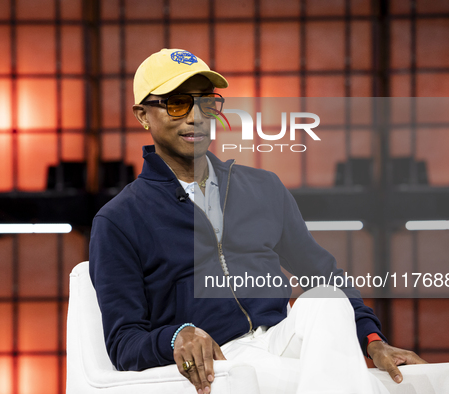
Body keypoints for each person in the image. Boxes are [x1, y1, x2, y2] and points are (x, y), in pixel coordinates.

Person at [89, 48, 426, 394]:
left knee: (326, 297)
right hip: (218, 361)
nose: (196, 117)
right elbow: (123, 342)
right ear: (143, 115)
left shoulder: (263, 187)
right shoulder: (119, 220)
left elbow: (324, 274)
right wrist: (176, 335)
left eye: (206, 103)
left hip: (279, 340)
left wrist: (372, 341)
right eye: (177, 104)